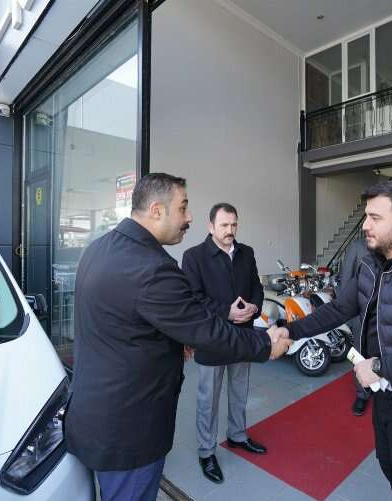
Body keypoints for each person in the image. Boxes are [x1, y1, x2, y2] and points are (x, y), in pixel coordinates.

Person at [64, 173, 291, 501]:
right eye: (183, 207)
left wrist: (174, 338)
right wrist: (266, 344)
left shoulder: (99, 249)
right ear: (157, 210)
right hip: (129, 431)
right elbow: (204, 328)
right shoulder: (152, 267)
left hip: (96, 415)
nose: (189, 217)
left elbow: (127, 321)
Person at [273, 180, 392, 501]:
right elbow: (340, 308)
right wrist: (291, 331)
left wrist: (379, 366)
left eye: (375, 218)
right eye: (366, 216)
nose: (365, 225)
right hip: (386, 396)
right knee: (390, 469)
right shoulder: (371, 263)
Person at [182, 203, 266, 484]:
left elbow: (256, 286)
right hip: (212, 338)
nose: (230, 230)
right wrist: (226, 312)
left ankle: (237, 435)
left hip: (243, 335)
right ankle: (206, 451)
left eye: (234, 225)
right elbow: (193, 299)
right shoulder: (194, 257)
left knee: (239, 390)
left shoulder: (246, 253)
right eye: (224, 225)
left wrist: (254, 306)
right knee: (208, 398)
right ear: (210, 227)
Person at [337, 237, 371, 416]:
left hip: (388, 312)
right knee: (360, 352)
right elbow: (346, 280)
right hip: (361, 311)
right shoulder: (357, 246)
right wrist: (347, 313)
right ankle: (362, 394)